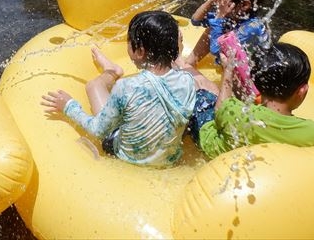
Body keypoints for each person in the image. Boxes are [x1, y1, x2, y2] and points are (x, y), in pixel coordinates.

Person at [41, 11, 197, 168]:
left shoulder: (126, 88)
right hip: (169, 160)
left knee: (94, 86)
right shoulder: (187, 81)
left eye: (129, 42)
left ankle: (111, 71)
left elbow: (97, 130)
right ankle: (111, 70)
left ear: (140, 51)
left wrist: (69, 106)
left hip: (128, 158)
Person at [187, 42, 314, 160]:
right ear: (302, 90)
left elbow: (220, 108)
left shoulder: (239, 115)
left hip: (209, 144)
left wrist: (228, 70)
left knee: (204, 92)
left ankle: (180, 64)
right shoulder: (309, 131)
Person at [184, 0, 271, 67]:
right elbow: (196, 21)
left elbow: (215, 49)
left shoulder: (252, 27)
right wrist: (211, 0)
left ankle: (188, 67)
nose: (219, 1)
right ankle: (189, 64)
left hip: (249, 77)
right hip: (229, 66)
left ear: (244, 5)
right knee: (212, 28)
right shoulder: (232, 17)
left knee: (216, 25)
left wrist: (220, 17)